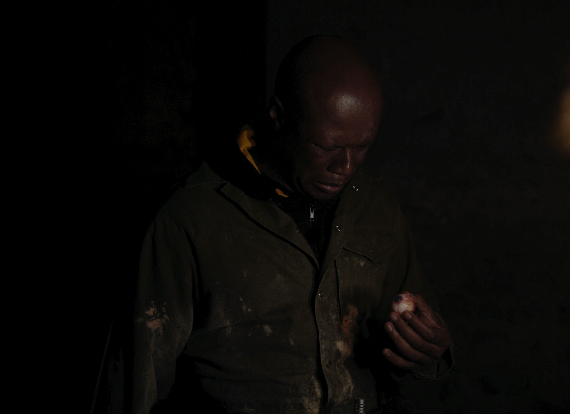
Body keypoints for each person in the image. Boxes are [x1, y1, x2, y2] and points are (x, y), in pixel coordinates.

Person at [93, 35, 452, 414]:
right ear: (278, 116)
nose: (346, 167)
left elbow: (406, 339)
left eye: (362, 146)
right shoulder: (191, 220)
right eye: (327, 147)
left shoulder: (375, 209)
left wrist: (425, 347)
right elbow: (133, 384)